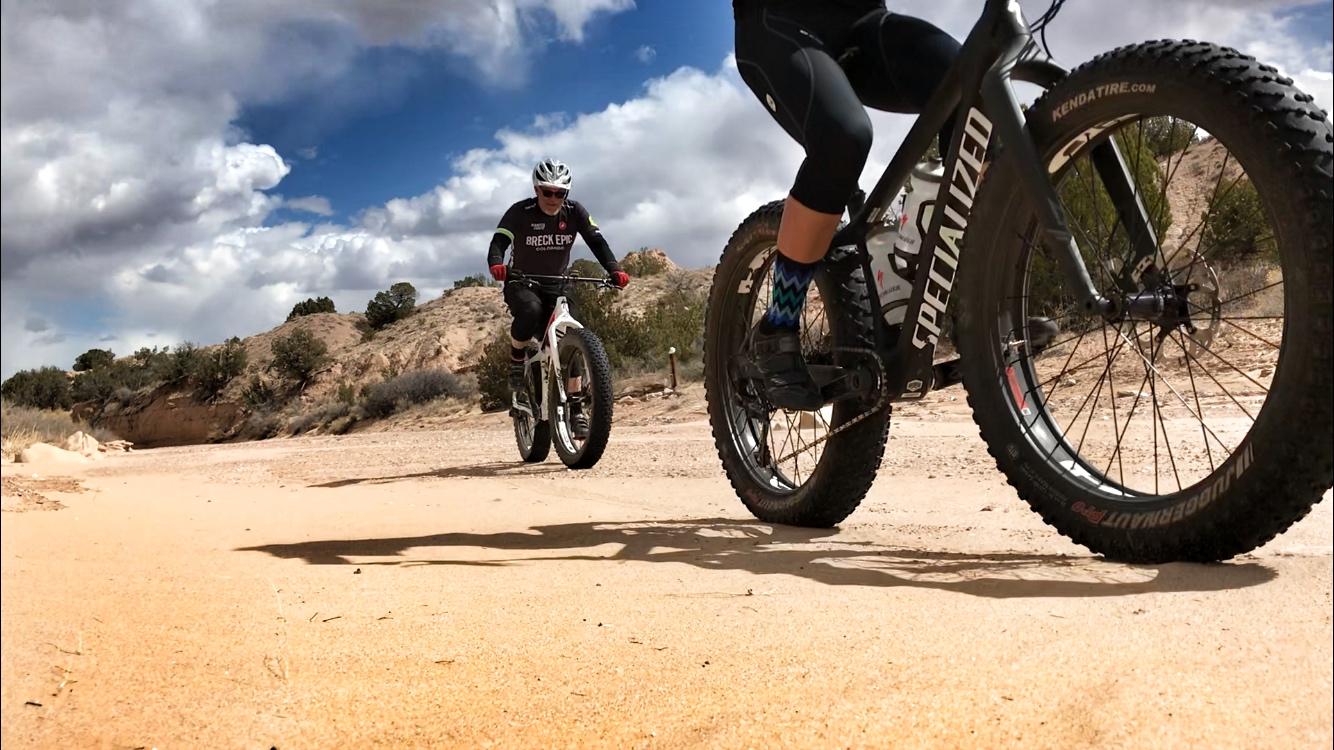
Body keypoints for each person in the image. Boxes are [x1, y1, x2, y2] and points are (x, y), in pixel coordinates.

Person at [733, 0, 961, 410]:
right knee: (843, 138)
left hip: (865, 22)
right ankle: (777, 329)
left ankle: (976, 289)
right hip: (776, 22)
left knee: (969, 84)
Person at [487, 158, 630, 437]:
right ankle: (518, 357)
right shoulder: (520, 212)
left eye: (560, 193)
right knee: (529, 310)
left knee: (574, 335)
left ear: (567, 193)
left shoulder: (575, 212)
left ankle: (576, 409)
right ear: (536, 189)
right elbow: (499, 241)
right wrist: (496, 262)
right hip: (522, 281)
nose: (553, 198)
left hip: (559, 283)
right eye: (547, 191)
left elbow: (596, 241)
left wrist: (615, 269)